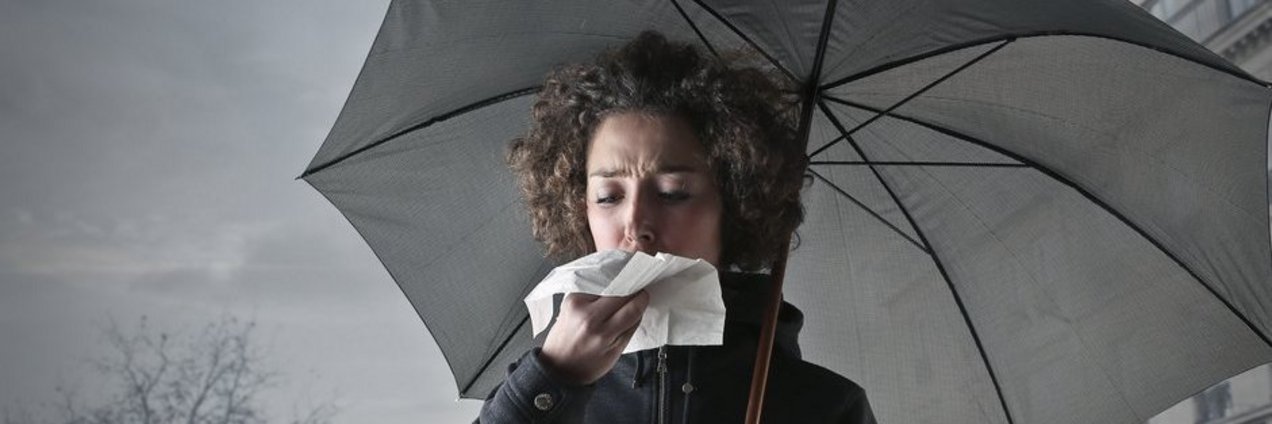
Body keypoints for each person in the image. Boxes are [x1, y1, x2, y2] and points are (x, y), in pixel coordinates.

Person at [477, 31, 876, 423]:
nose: (635, 224)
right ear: (578, 207)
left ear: (736, 203)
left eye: (671, 193)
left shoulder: (827, 408)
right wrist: (552, 379)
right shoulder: (535, 398)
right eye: (608, 197)